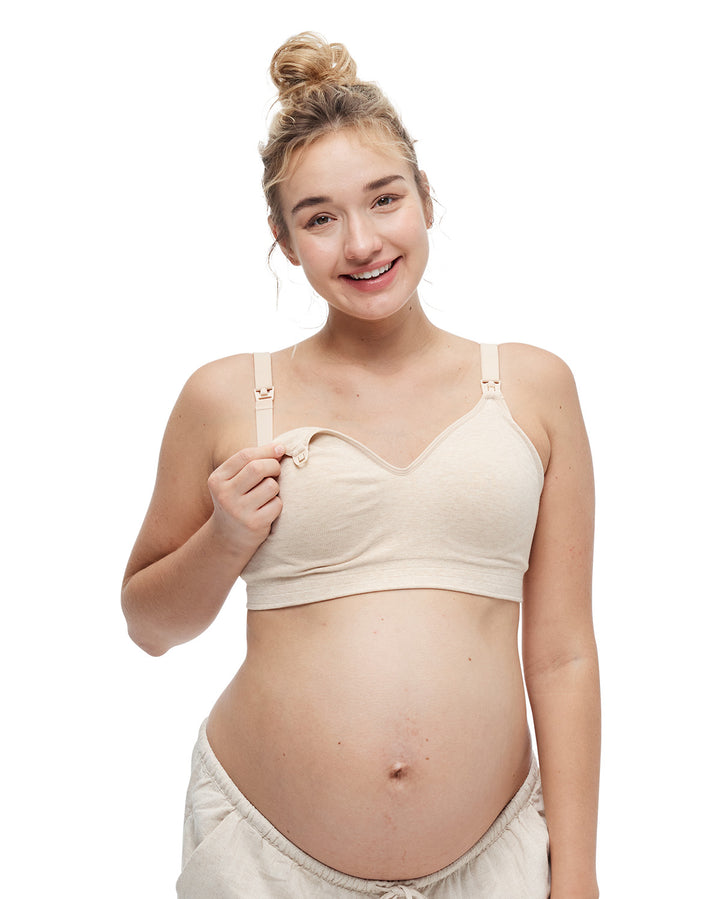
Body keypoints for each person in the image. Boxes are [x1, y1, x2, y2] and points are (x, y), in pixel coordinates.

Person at [122, 31, 600, 899]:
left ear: (425, 196)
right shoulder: (227, 397)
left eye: (385, 199)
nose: (361, 243)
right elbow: (149, 626)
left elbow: (563, 653)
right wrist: (224, 537)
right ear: (282, 237)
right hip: (265, 862)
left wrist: (577, 874)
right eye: (319, 218)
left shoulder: (534, 389)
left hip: (492, 861)